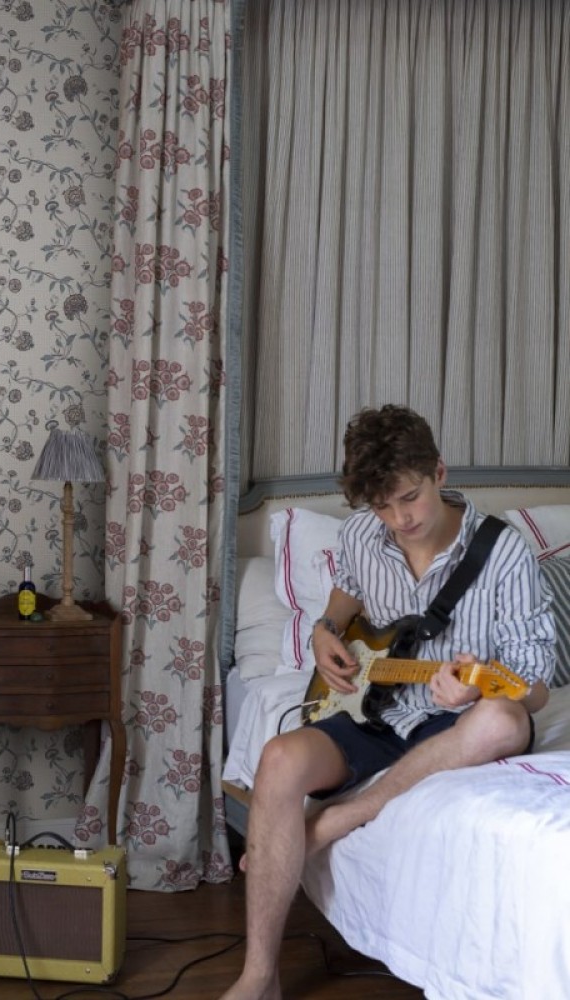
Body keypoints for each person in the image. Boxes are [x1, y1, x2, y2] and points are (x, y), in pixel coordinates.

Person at [218, 404, 555, 1000]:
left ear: (439, 473)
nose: (401, 519)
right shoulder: (359, 536)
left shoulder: (504, 552)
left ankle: (344, 816)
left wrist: (479, 686)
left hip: (459, 721)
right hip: (377, 711)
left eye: (410, 498)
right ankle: (259, 974)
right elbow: (345, 597)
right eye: (383, 507)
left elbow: (538, 688)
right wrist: (324, 631)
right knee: (279, 758)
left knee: (504, 719)